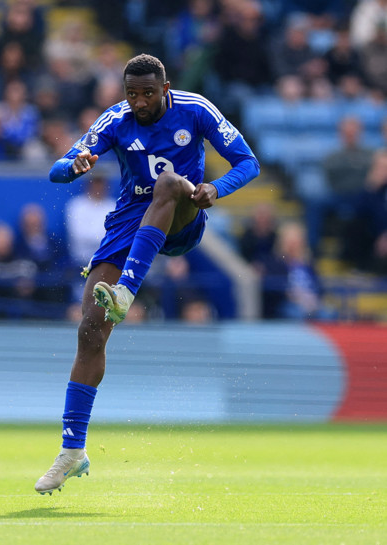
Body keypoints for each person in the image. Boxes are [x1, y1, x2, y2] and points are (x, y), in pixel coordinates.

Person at [35, 54, 259, 495]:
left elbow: (248, 163)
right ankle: (72, 450)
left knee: (171, 183)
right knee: (89, 333)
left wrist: (216, 187)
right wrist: (74, 166)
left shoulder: (195, 109)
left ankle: (126, 292)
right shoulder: (115, 119)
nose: (138, 102)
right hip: (130, 221)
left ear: (166, 88)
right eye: (131, 94)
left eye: (147, 93)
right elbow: (57, 169)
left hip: (182, 215)